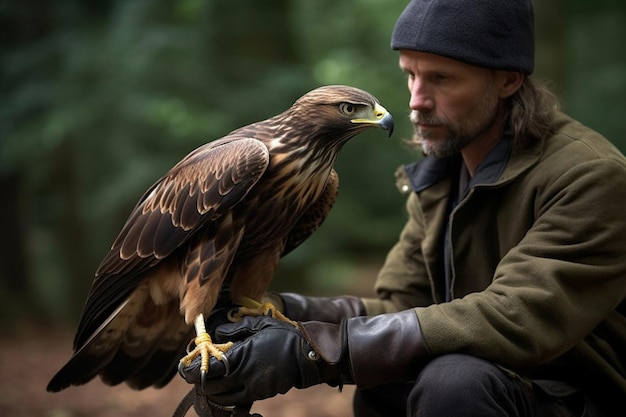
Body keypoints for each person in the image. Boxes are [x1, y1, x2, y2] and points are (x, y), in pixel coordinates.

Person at [179, 0, 626, 416]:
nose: (415, 99)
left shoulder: (592, 176)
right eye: (410, 75)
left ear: (507, 80)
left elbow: (519, 315)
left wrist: (316, 351)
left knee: (452, 381)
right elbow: (403, 306)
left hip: (576, 393)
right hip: (505, 383)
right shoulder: (444, 171)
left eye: (441, 78)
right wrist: (277, 312)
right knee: (386, 377)